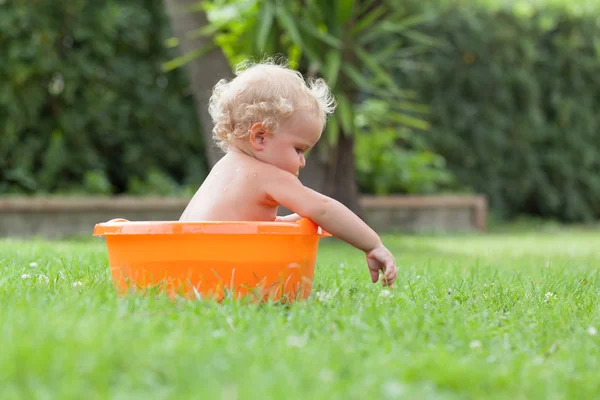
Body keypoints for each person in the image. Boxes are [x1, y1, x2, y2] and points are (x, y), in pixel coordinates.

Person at [180, 60, 397, 286]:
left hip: (189, 271)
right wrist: (373, 244)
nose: (302, 162)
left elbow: (240, 225)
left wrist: (285, 222)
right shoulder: (267, 174)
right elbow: (323, 208)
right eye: (299, 149)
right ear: (260, 137)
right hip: (219, 277)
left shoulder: (222, 169)